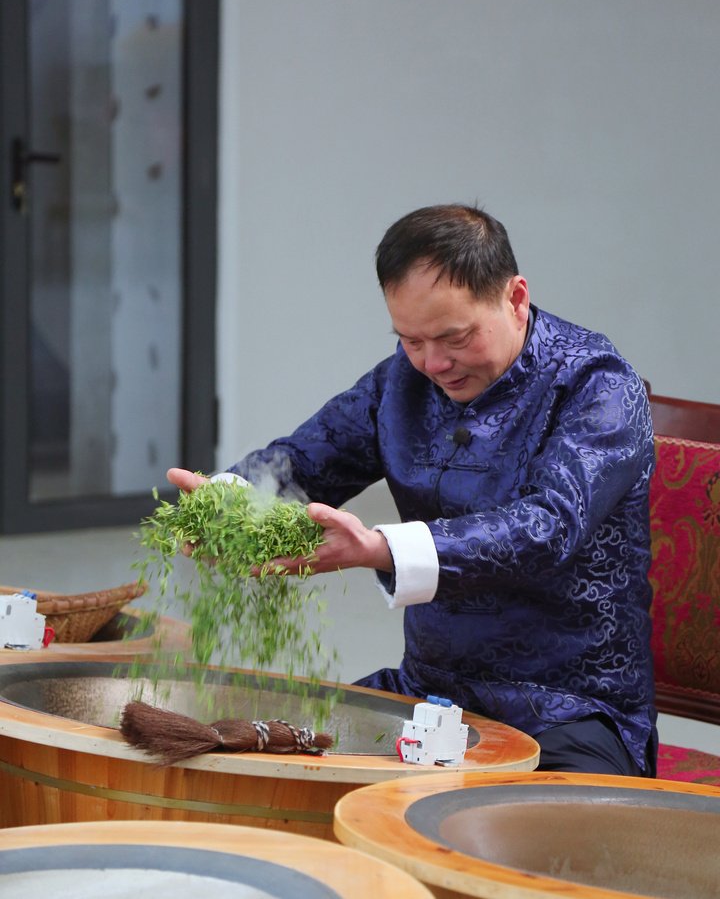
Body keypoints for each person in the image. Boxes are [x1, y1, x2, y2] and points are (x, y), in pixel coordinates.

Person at [169, 203, 657, 776]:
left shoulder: (596, 385)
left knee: (521, 829)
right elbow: (303, 460)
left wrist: (379, 549)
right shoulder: (401, 382)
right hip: (429, 694)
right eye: (410, 340)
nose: (434, 363)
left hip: (569, 709)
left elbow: (548, 527)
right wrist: (227, 504)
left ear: (515, 298)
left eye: (454, 337)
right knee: (285, 776)